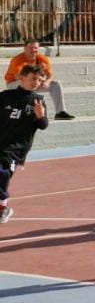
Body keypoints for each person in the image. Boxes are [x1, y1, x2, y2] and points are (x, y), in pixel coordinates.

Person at [0, 65, 50, 224]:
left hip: (16, 149)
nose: (36, 82)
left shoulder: (38, 101)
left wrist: (41, 116)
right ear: (21, 77)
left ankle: (3, 206)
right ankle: (3, 205)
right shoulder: (5, 96)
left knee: (1, 173)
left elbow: (43, 125)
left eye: (40, 80)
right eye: (33, 78)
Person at [5, 40, 73, 120]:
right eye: (31, 48)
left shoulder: (43, 59)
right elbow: (18, 77)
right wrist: (38, 72)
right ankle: (23, 112)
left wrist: (47, 82)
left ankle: (60, 112)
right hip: (14, 84)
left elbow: (50, 75)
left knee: (55, 84)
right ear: (25, 49)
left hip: (33, 82)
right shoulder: (17, 59)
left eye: (36, 48)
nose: (33, 50)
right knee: (26, 81)